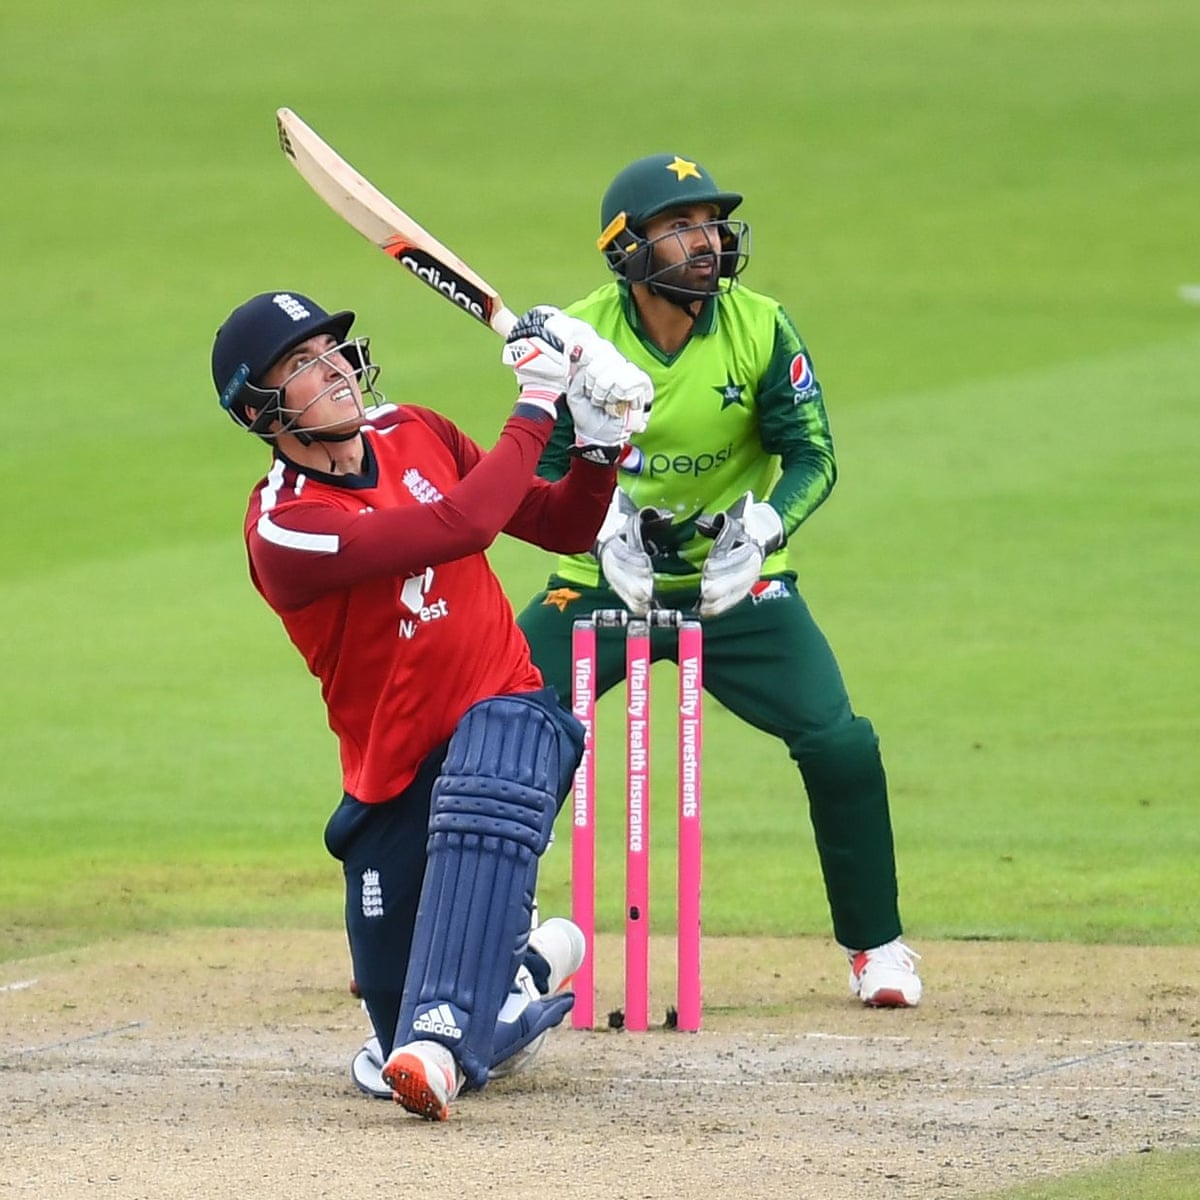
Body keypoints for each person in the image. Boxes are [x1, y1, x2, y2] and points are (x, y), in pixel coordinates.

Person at [210, 290, 652, 1119]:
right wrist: (538, 401)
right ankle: (511, 978)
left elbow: (558, 526)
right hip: (395, 777)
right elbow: (462, 524)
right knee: (393, 1017)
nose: (333, 367)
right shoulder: (285, 526)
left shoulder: (414, 429)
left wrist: (597, 441)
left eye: (333, 349)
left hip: (510, 720)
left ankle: (449, 1034)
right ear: (259, 407)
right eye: (301, 363)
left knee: (495, 753)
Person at [515, 154, 923, 1008]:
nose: (706, 242)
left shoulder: (762, 326)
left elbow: (811, 453)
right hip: (597, 582)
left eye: (710, 224)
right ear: (626, 249)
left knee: (840, 742)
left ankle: (876, 946)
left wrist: (767, 525)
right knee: (496, 732)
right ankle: (485, 933)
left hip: (735, 583)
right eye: (680, 226)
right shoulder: (579, 337)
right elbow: (536, 472)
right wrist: (599, 530)